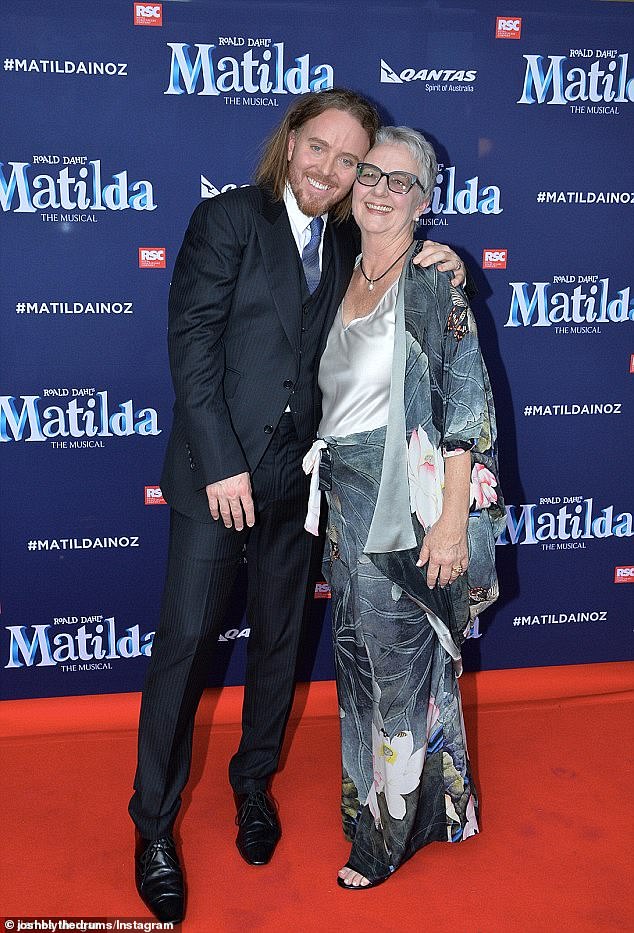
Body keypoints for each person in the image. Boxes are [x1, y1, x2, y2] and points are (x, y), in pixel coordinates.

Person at [129, 90, 468, 923]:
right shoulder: (228, 219)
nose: (331, 170)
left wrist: (444, 259)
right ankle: (153, 827)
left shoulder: (351, 236)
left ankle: (253, 788)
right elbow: (193, 349)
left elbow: (396, 266)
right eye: (320, 148)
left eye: (350, 161)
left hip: (295, 486)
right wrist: (221, 464)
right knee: (184, 649)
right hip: (217, 481)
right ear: (290, 142)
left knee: (278, 647)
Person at [302, 126, 505, 889]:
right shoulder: (339, 267)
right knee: (355, 657)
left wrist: (452, 520)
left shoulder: (431, 283)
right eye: (370, 177)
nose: (381, 191)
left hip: (403, 509)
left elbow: (466, 411)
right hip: (342, 502)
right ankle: (403, 803)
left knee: (397, 669)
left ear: (426, 201)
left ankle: (390, 832)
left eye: (402, 182)